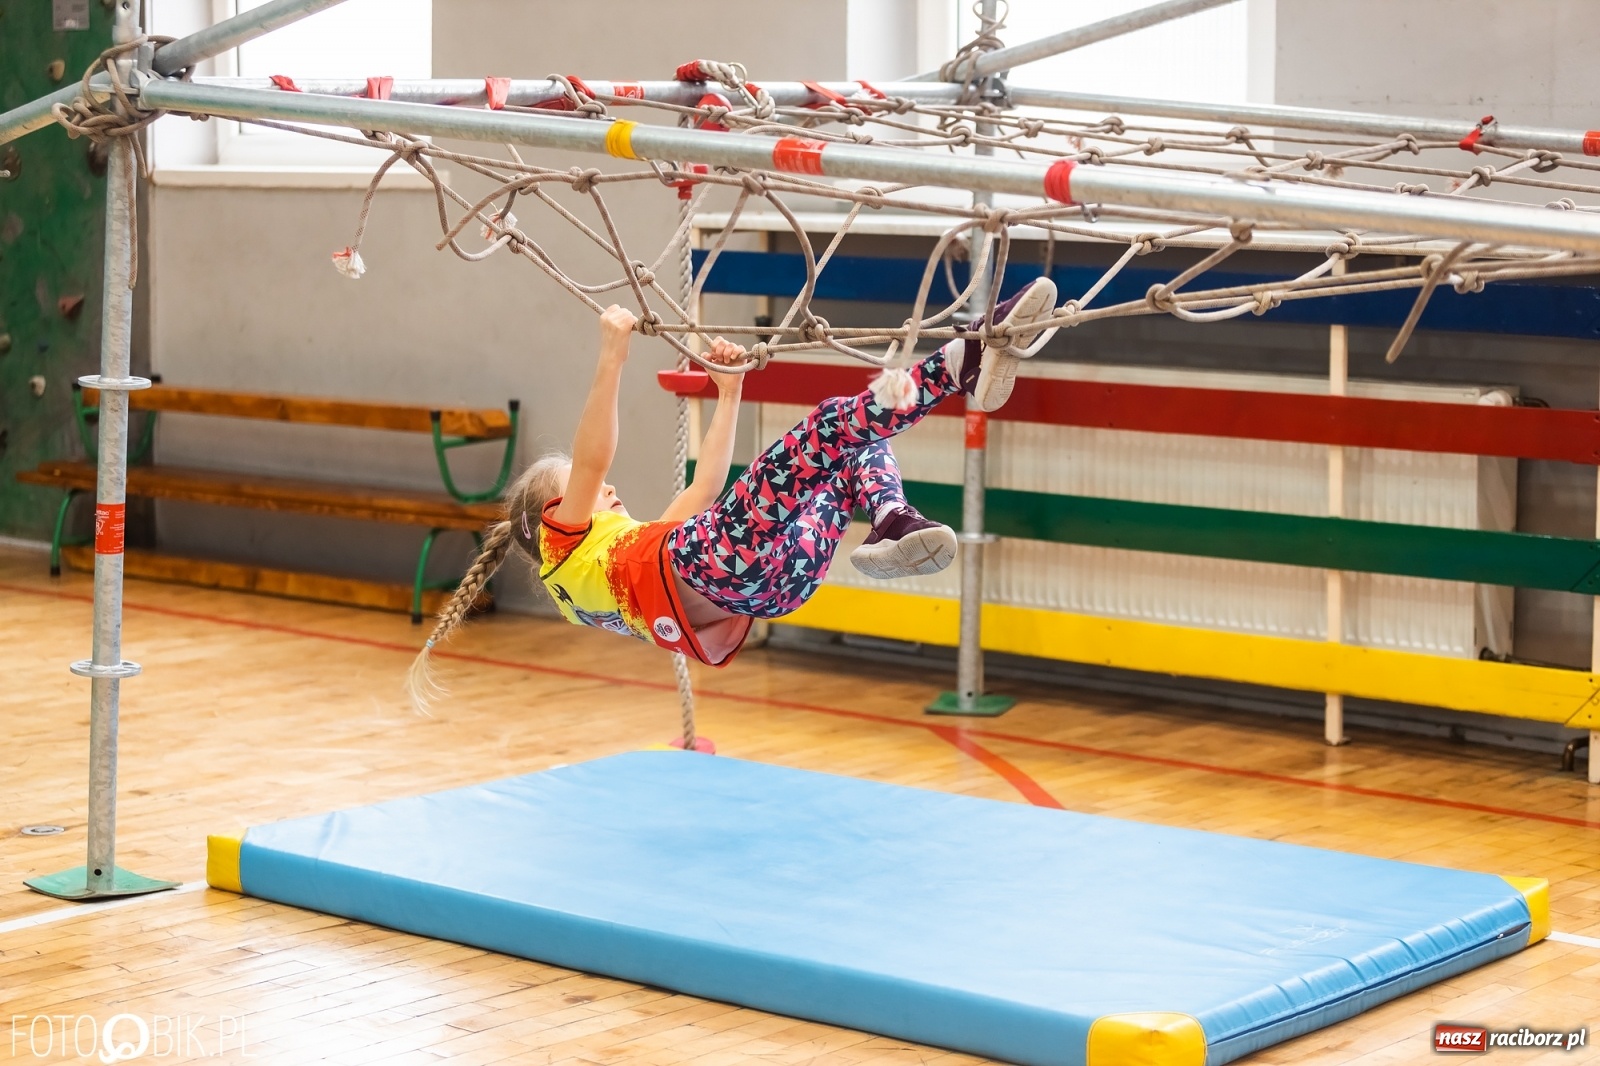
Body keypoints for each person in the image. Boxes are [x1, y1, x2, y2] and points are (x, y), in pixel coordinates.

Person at [407, 277, 1058, 705]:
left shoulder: (602, 577)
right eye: (587, 492)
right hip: (717, 566)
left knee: (846, 437)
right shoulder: (567, 548)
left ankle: (891, 516)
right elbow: (591, 455)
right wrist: (611, 357)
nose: (604, 488)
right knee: (830, 426)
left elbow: (707, 484)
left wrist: (731, 390)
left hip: (775, 588)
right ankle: (965, 361)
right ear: (548, 522)